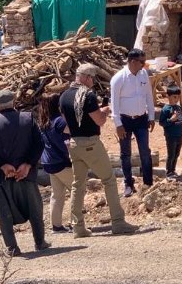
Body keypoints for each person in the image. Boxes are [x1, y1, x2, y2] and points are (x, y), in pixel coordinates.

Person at [60, 63, 138, 238]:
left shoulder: (64, 96)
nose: (93, 82)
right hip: (90, 143)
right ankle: (118, 221)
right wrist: (105, 110)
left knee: (78, 184)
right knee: (109, 179)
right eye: (92, 78)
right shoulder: (87, 95)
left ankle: (78, 226)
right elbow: (100, 121)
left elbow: (68, 121)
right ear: (87, 77)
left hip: (74, 143)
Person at [0, 89, 49, 256]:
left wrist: (3, 166)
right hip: (26, 175)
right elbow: (39, 143)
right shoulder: (28, 118)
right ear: (14, 102)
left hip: (1, 177)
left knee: (4, 214)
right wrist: (27, 165)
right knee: (34, 209)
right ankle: (40, 242)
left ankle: (12, 248)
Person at [110, 48, 155, 197]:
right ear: (133, 61)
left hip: (141, 119)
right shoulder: (118, 78)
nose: (144, 64)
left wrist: (151, 116)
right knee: (125, 154)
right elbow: (114, 103)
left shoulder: (143, 74)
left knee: (145, 152)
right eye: (142, 61)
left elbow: (148, 95)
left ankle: (148, 182)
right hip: (125, 121)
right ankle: (128, 184)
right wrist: (118, 124)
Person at [37, 92, 73, 233]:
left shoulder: (43, 122)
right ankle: (76, 222)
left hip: (49, 163)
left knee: (57, 194)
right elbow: (72, 130)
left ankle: (56, 225)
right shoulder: (59, 121)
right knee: (77, 190)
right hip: (62, 162)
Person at [158, 85, 182, 179]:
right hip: (171, 135)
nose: (176, 99)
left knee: (177, 154)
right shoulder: (166, 109)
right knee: (171, 154)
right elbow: (161, 122)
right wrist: (171, 120)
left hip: (180, 134)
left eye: (178, 97)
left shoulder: (178, 108)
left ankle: (173, 170)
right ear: (168, 96)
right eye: (174, 97)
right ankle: (169, 172)